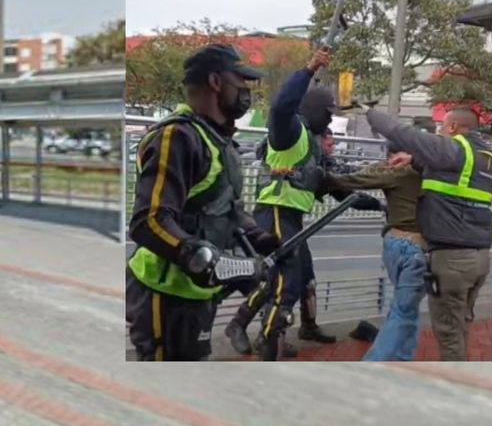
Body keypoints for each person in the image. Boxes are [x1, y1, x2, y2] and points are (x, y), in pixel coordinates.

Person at [125, 44, 277, 361]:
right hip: (164, 294)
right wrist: (199, 257)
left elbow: (225, 208)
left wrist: (259, 238)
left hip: (199, 293)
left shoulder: (219, 141)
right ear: (216, 82)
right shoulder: (178, 137)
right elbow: (148, 220)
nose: (247, 91)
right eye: (241, 81)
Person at [225, 47, 338, 360]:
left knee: (297, 275)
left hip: (291, 216)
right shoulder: (290, 131)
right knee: (285, 283)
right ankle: (266, 338)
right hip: (276, 212)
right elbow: (279, 108)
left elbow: (325, 179)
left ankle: (242, 325)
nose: (330, 119)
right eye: (328, 112)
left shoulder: (312, 143)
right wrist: (308, 70)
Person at [367, 105, 492, 361]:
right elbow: (451, 172)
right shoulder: (484, 155)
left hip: (452, 258)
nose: (440, 131)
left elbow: (402, 133)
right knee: (460, 324)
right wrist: (413, 160)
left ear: (453, 127)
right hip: (480, 257)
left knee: (448, 333)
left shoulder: (453, 147)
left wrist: (369, 112)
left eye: (442, 126)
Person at [327, 151, 424, 360]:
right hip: (421, 245)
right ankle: (398, 357)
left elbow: (357, 179)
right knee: (407, 308)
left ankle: (382, 361)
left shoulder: (397, 169)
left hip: (402, 242)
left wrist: (324, 178)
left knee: (404, 309)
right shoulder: (437, 167)